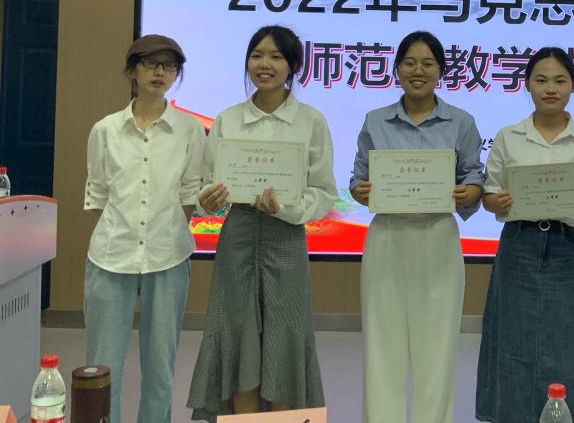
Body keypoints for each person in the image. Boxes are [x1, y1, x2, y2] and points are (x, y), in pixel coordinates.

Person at [187, 25, 338, 420]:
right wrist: (208, 201)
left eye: (275, 56)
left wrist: (285, 208)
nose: (264, 64)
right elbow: (206, 188)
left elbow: (323, 192)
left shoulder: (311, 121)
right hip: (237, 236)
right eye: (257, 56)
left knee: (284, 341)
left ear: (293, 65)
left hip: (286, 239)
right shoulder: (228, 119)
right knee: (236, 336)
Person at [350, 29, 484, 423]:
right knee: (382, 347)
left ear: (441, 71)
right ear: (396, 69)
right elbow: (358, 179)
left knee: (438, 348)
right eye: (409, 62)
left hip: (438, 236)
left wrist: (471, 191)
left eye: (427, 63)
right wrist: (360, 190)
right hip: (387, 236)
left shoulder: (461, 122)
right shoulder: (376, 121)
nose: (418, 71)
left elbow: (474, 176)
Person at [475, 47, 574, 423]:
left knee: (566, 341)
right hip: (519, 242)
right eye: (541, 80)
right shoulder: (508, 136)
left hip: (567, 245)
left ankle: (563, 416)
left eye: (560, 80)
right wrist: (497, 199)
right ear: (527, 85)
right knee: (513, 338)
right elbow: (489, 196)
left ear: (573, 86)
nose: (550, 88)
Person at [83, 34, 205, 423]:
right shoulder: (106, 129)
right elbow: (98, 195)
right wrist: (123, 233)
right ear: (132, 71)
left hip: (168, 258)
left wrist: (162, 232)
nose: (160, 72)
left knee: (160, 371)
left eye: (169, 66)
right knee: (102, 368)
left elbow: (191, 192)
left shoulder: (189, 130)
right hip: (110, 258)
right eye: (151, 63)